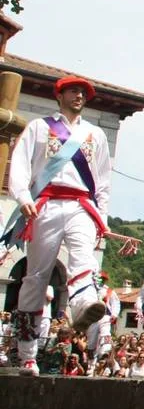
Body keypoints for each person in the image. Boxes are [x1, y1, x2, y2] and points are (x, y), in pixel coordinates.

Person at [4, 76, 113, 376]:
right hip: (46, 205)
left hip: (82, 206)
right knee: (36, 276)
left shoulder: (95, 134)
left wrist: (101, 218)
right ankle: (28, 354)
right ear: (60, 95)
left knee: (83, 257)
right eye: (74, 91)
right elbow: (20, 164)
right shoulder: (39, 127)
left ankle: (84, 304)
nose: (79, 96)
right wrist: (23, 196)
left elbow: (103, 181)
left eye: (83, 93)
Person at [87, 270, 121, 365]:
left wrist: (114, 314)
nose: (101, 280)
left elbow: (116, 303)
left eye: (103, 279)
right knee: (92, 340)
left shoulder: (109, 291)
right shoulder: (89, 290)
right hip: (93, 317)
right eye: (99, 278)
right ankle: (91, 362)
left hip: (105, 315)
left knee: (105, 331)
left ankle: (105, 350)